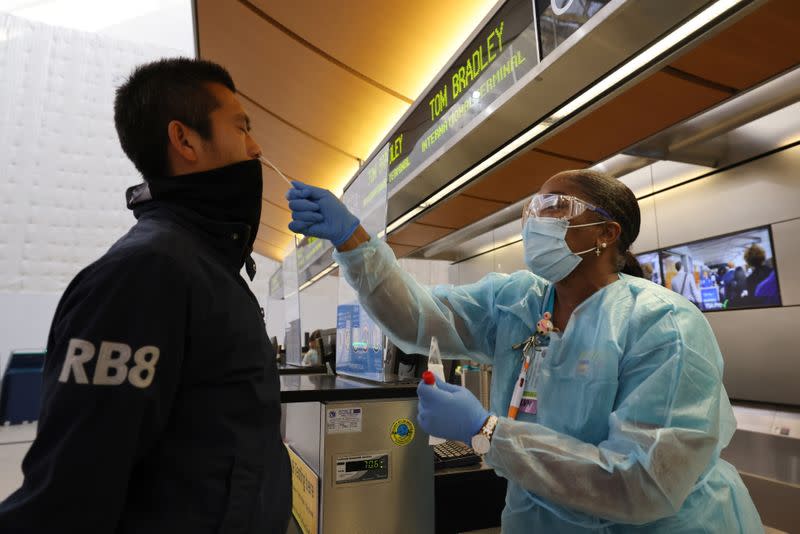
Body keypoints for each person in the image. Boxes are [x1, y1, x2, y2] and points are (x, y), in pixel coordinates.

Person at [286, 169, 762, 532]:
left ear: (606, 233)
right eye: (532, 207)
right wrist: (352, 240)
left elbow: (642, 484)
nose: (534, 219)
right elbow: (417, 317)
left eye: (554, 205)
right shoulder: (516, 300)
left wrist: (488, 432)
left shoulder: (664, 325)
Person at [0, 58, 291, 533]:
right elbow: (69, 495)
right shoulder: (145, 273)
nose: (256, 147)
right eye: (241, 127)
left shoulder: (206, 265)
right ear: (184, 140)